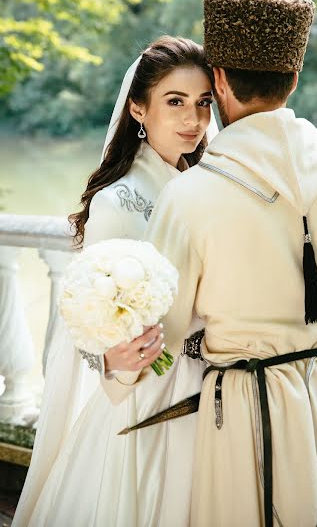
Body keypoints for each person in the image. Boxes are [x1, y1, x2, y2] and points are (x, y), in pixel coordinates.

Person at [139, 0, 317, 526]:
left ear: (220, 81)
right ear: (295, 80)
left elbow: (156, 334)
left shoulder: (189, 196)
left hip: (240, 413)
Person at [12, 35, 219, 527]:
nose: (194, 119)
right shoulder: (118, 202)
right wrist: (110, 360)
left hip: (211, 387)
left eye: (204, 103)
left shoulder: (209, 187)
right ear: (139, 110)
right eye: (175, 102)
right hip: (150, 394)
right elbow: (90, 321)